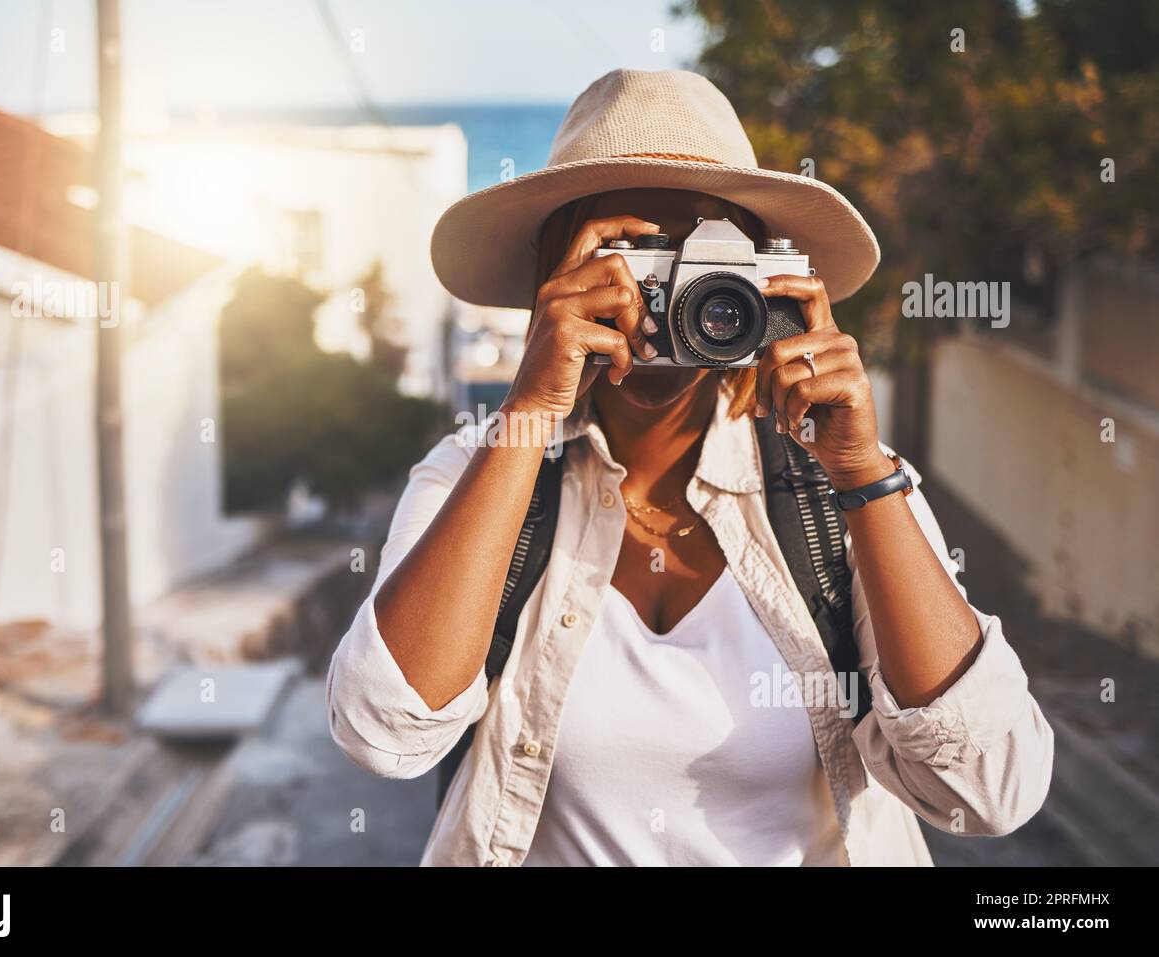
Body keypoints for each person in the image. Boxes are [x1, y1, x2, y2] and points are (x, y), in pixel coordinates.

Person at [326, 69, 1053, 866]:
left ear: (765, 284)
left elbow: (991, 791)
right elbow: (383, 731)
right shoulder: (477, 470)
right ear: (552, 284)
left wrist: (861, 475)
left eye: (704, 264)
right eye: (631, 259)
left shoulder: (838, 491)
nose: (671, 300)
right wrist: (528, 413)